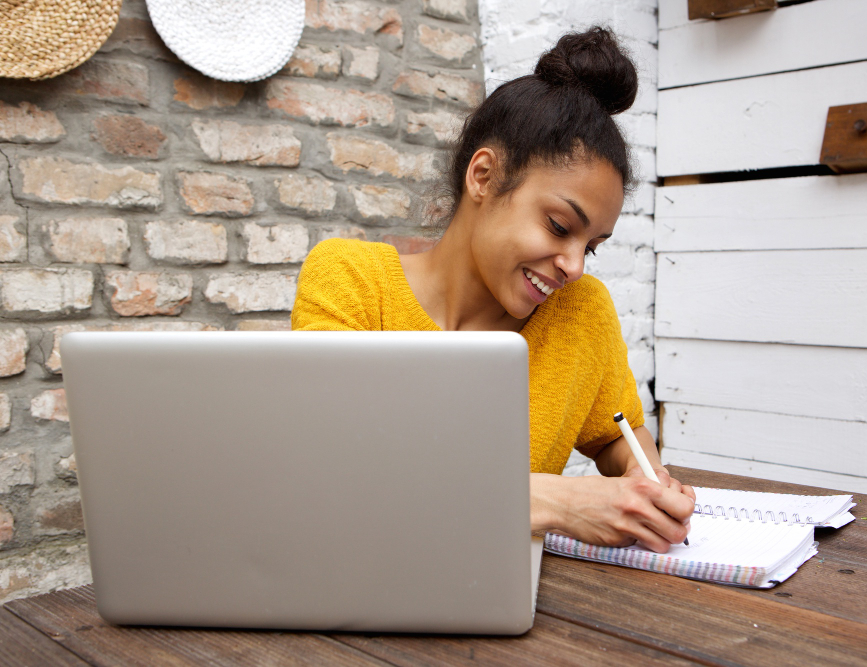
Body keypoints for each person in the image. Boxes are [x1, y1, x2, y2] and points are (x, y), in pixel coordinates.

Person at [292, 26, 695, 552]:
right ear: (483, 176)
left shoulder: (578, 313)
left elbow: (617, 435)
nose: (573, 266)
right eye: (557, 226)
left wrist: (649, 484)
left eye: (591, 246)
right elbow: (336, 477)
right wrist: (558, 503)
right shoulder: (351, 282)